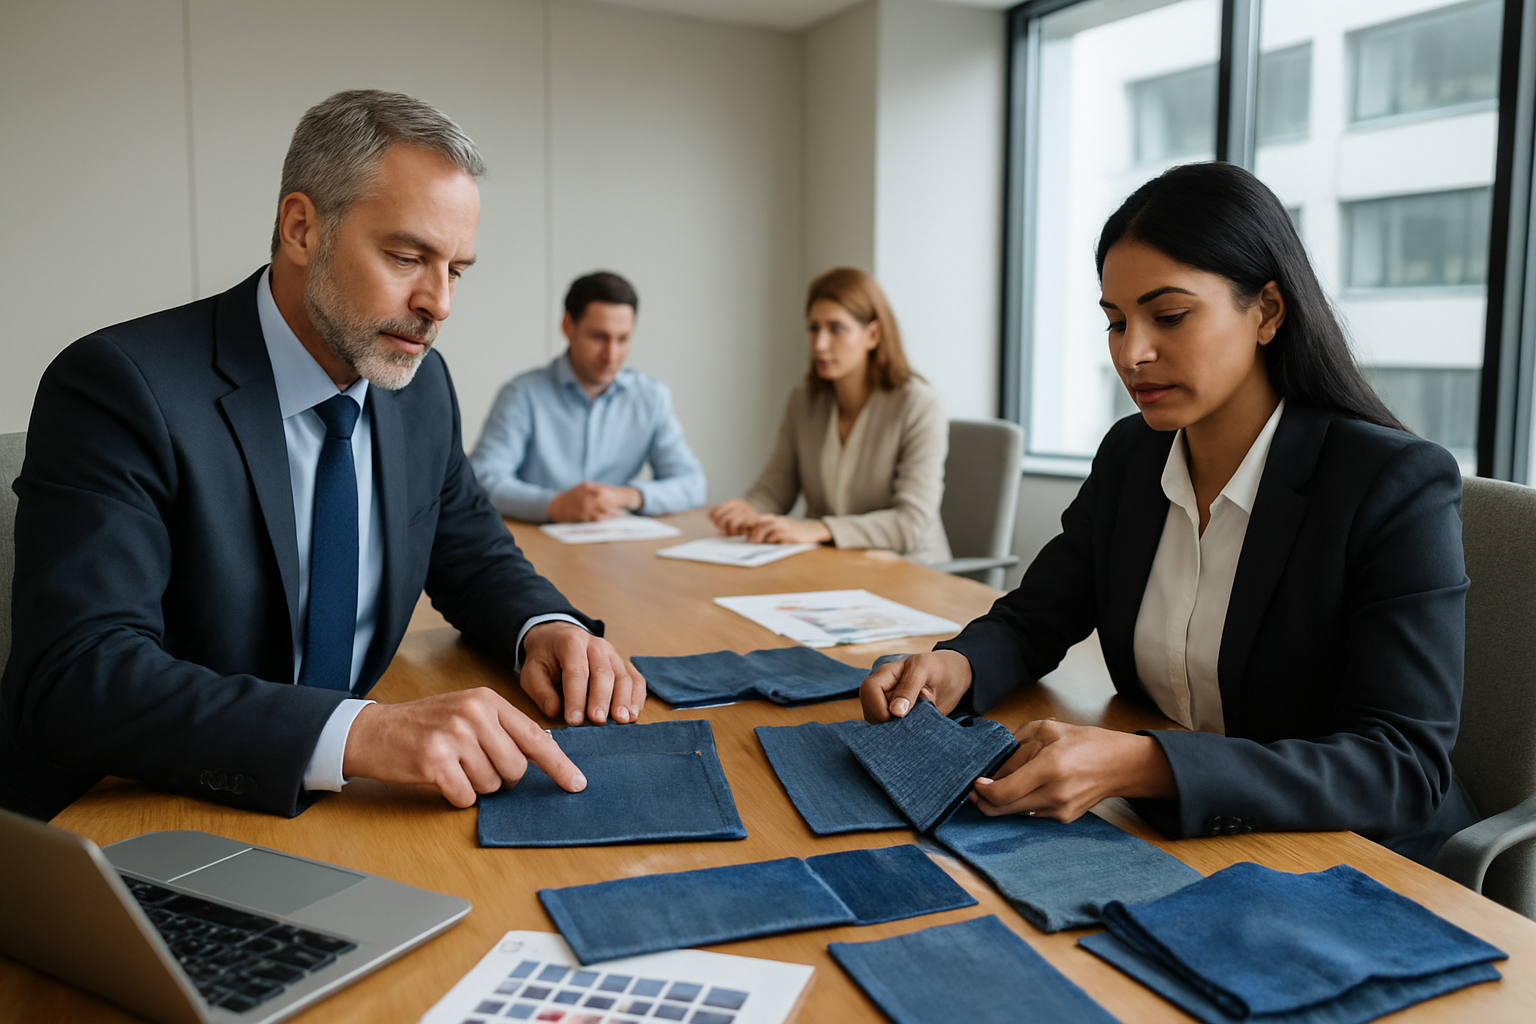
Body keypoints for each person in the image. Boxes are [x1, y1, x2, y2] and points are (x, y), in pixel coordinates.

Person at [0, 90, 646, 823]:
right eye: (407, 257)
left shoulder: (419, 383)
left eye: (456, 269)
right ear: (302, 228)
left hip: (343, 804)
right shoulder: (120, 386)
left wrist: (547, 628)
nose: (439, 303)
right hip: (133, 806)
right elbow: (78, 675)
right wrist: (362, 731)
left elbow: (470, 551)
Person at [861, 162, 1477, 865]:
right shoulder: (1133, 456)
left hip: (1355, 860)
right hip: (1185, 840)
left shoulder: (1392, 482)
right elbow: (1038, 617)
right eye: (1115, 322)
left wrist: (1143, 763)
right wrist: (957, 667)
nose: (1133, 353)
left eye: (1169, 316)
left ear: (1268, 311)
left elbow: (1400, 765)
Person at [710, 268, 951, 562]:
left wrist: (819, 528)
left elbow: (909, 523)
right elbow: (776, 489)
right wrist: (749, 510)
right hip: (834, 566)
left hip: (912, 571)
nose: (820, 344)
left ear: (873, 335)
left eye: (836, 328)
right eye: (814, 328)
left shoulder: (918, 405)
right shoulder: (804, 401)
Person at [470, 273, 707, 523]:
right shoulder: (522, 395)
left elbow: (693, 485)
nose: (611, 355)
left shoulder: (650, 397)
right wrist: (553, 505)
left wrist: (627, 496)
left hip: (614, 544)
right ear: (568, 327)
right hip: (538, 545)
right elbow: (482, 479)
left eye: (623, 339)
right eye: (599, 337)